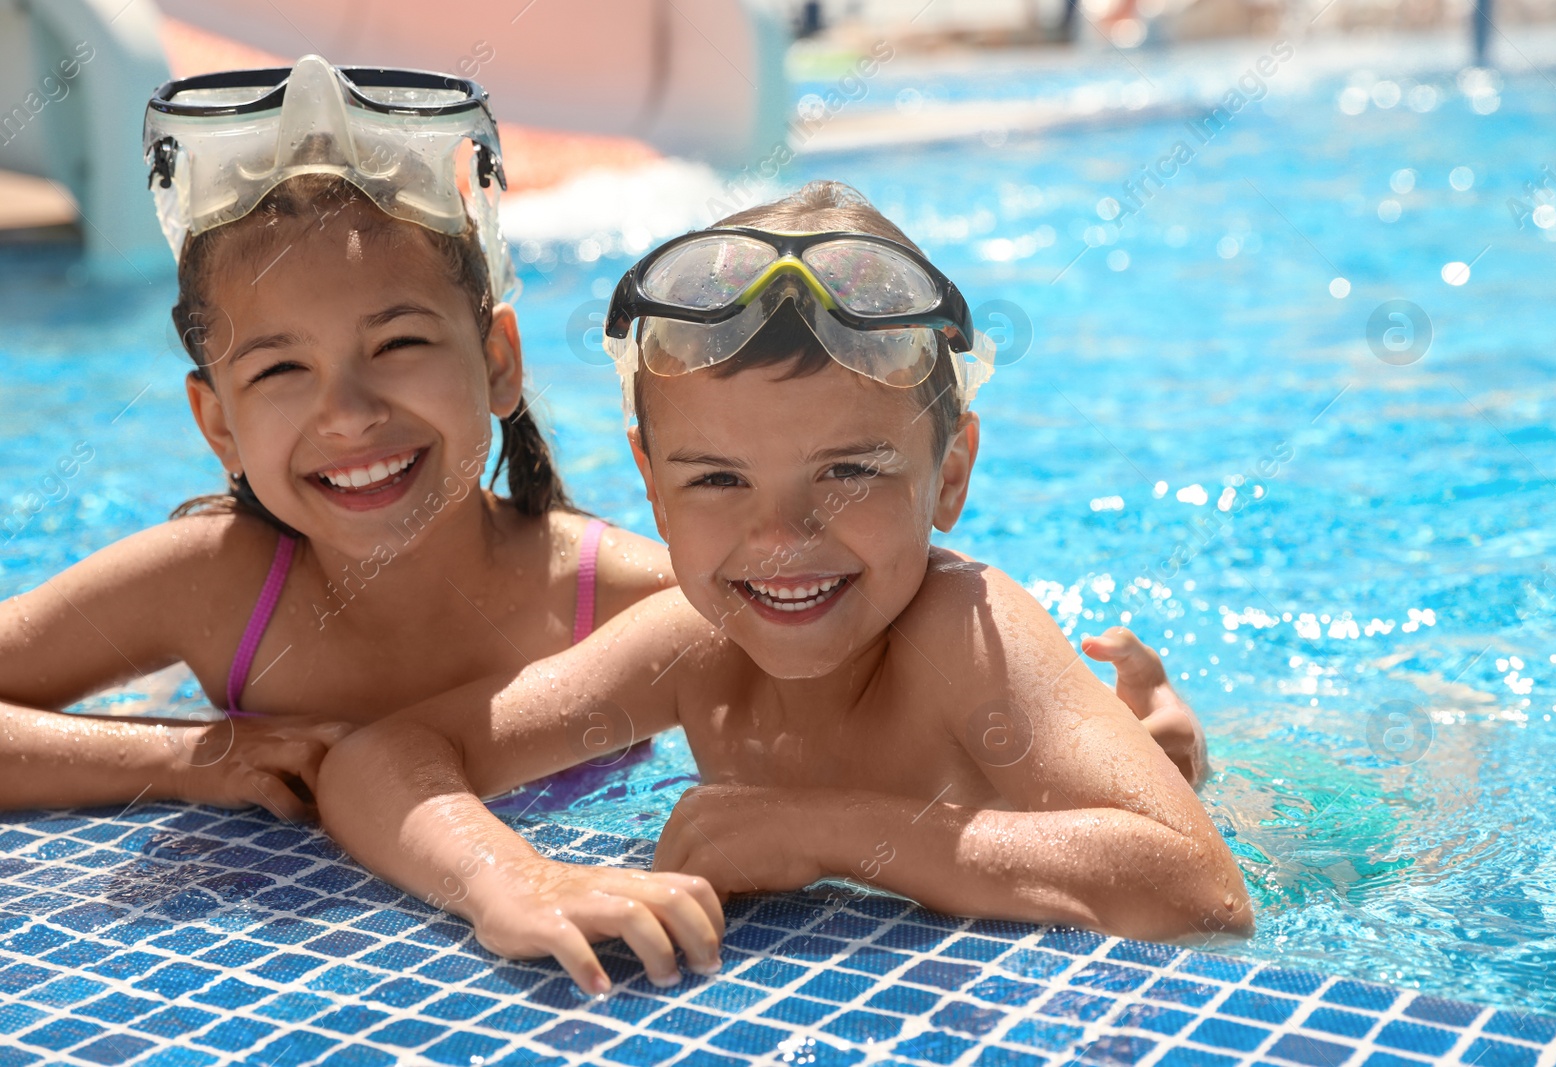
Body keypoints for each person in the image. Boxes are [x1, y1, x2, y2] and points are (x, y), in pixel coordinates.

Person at [318, 181, 1246, 998]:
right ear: (652, 483)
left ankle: (1154, 747)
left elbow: (1202, 896)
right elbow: (381, 758)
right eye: (717, 479)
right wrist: (511, 879)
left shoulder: (967, 636)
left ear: (951, 471)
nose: (780, 538)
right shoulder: (693, 642)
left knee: (1186, 788)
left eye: (849, 470)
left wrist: (822, 830)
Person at [0, 58, 677, 817]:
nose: (348, 415)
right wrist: (186, 757)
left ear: (497, 361)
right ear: (218, 423)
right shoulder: (212, 587)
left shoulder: (624, 601)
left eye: (398, 345)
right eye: (282, 367)